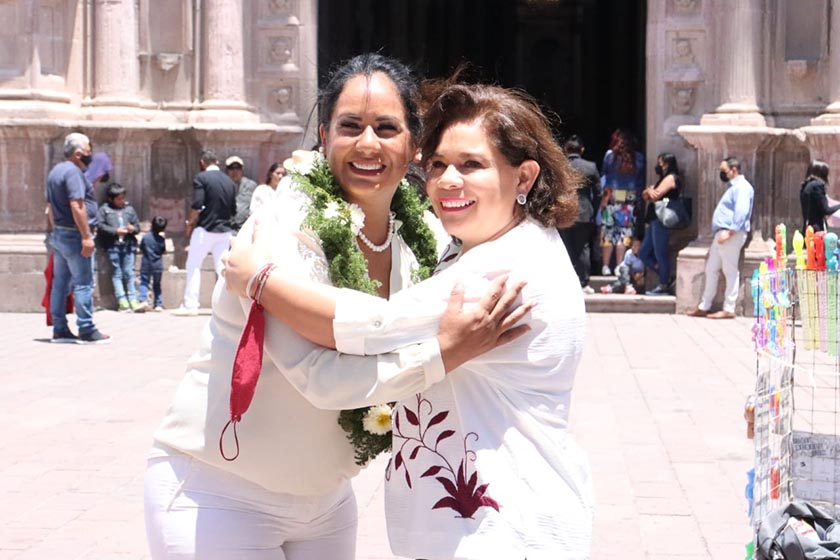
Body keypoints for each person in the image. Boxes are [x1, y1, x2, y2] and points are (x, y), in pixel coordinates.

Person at [144, 54, 519, 560]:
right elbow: (320, 377)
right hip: (218, 491)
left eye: (387, 127)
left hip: (327, 502)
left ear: (414, 144)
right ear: (324, 137)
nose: (368, 143)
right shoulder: (280, 227)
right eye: (350, 126)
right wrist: (447, 350)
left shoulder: (425, 238)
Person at [224, 82, 594, 558]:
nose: (448, 181)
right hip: (490, 520)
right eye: (437, 164)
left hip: (500, 528)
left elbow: (371, 328)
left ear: (524, 178)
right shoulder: (495, 246)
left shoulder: (502, 269)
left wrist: (258, 280)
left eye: (471, 165)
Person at [46, 132, 111, 344]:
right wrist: (86, 236)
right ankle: (86, 329)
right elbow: (77, 204)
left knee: (60, 282)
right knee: (83, 283)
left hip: (60, 233)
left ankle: (59, 328)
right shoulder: (73, 172)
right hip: (75, 235)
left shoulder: (56, 171)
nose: (90, 156)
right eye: (88, 152)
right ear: (77, 154)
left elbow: (50, 208)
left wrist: (56, 231)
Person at [686, 156, 754, 319]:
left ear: (733, 170)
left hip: (730, 233)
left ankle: (729, 308)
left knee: (730, 270)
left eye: (724, 170)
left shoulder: (742, 187)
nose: (722, 173)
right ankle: (704, 305)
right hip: (722, 233)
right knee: (712, 268)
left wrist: (730, 232)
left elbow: (741, 211)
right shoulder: (733, 188)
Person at [172, 149, 237, 316]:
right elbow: (233, 209)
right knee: (222, 270)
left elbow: (197, 205)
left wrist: (189, 222)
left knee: (193, 265)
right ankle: (227, 307)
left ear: (202, 163)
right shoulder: (229, 182)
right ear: (217, 162)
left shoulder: (201, 178)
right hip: (224, 231)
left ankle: (191, 305)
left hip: (205, 230)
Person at [559, 134, 601, 294]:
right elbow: (598, 193)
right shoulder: (590, 167)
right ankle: (583, 283)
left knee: (564, 248)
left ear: (565, 149)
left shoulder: (560, 166)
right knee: (583, 248)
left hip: (563, 212)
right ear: (582, 149)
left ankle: (565, 282)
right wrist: (593, 210)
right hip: (584, 212)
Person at [600, 128, 645, 275]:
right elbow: (640, 181)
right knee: (623, 232)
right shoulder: (639, 157)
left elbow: (604, 176)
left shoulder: (609, 155)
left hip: (611, 195)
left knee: (608, 231)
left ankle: (605, 266)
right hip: (629, 197)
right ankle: (619, 265)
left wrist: (603, 200)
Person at [639, 152, 681, 295]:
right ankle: (666, 276)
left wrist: (650, 191)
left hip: (662, 219)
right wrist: (649, 192)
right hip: (654, 218)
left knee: (660, 252)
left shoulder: (671, 177)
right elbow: (646, 196)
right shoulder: (662, 179)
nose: (659, 165)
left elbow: (655, 195)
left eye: (661, 162)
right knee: (643, 252)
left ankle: (663, 284)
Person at [96, 183, 142, 311]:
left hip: (128, 246)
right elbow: (100, 226)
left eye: (123, 198)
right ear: (111, 199)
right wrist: (116, 231)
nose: (122, 201)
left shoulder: (129, 210)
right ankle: (122, 300)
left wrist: (132, 229)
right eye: (119, 199)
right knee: (117, 273)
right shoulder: (104, 210)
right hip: (113, 246)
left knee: (129, 273)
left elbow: (137, 227)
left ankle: (133, 299)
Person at [800, 160, 840, 233]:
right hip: (817, 231)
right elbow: (826, 210)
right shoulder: (817, 185)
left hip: (807, 230)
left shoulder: (805, 186)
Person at [139, 216, 168, 312]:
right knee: (157, 284)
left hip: (146, 262)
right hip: (158, 263)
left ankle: (143, 300)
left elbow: (141, 247)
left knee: (144, 282)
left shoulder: (146, 237)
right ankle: (158, 304)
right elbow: (163, 250)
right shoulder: (161, 239)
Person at [226, 155, 258, 230]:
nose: (235, 171)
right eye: (231, 168)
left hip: (244, 228)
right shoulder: (222, 186)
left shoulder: (251, 186)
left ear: (242, 170)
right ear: (227, 170)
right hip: (226, 227)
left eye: (238, 168)